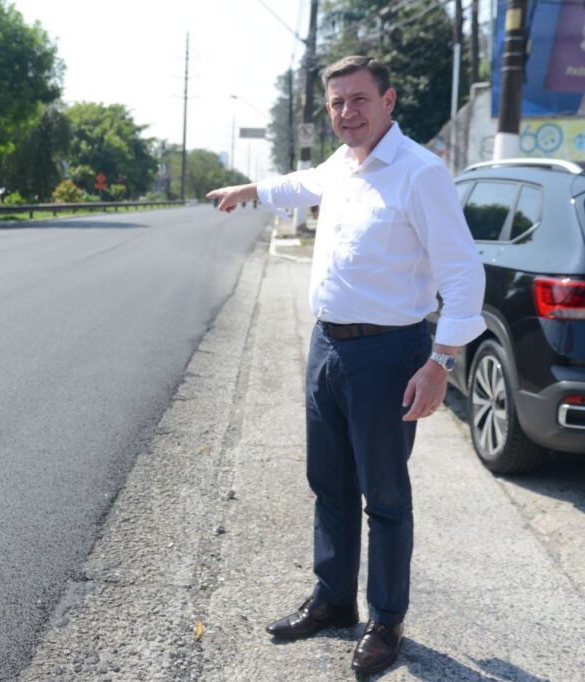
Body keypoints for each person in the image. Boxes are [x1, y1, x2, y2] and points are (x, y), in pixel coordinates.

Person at [206, 55, 485, 675]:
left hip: (389, 354)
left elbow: (463, 273)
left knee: (384, 495)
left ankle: (386, 623)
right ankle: (333, 599)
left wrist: (441, 361)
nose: (346, 113)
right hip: (327, 347)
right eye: (336, 103)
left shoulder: (420, 173)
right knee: (329, 483)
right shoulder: (343, 164)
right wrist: (251, 189)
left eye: (358, 99)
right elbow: (303, 183)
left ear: (389, 102)